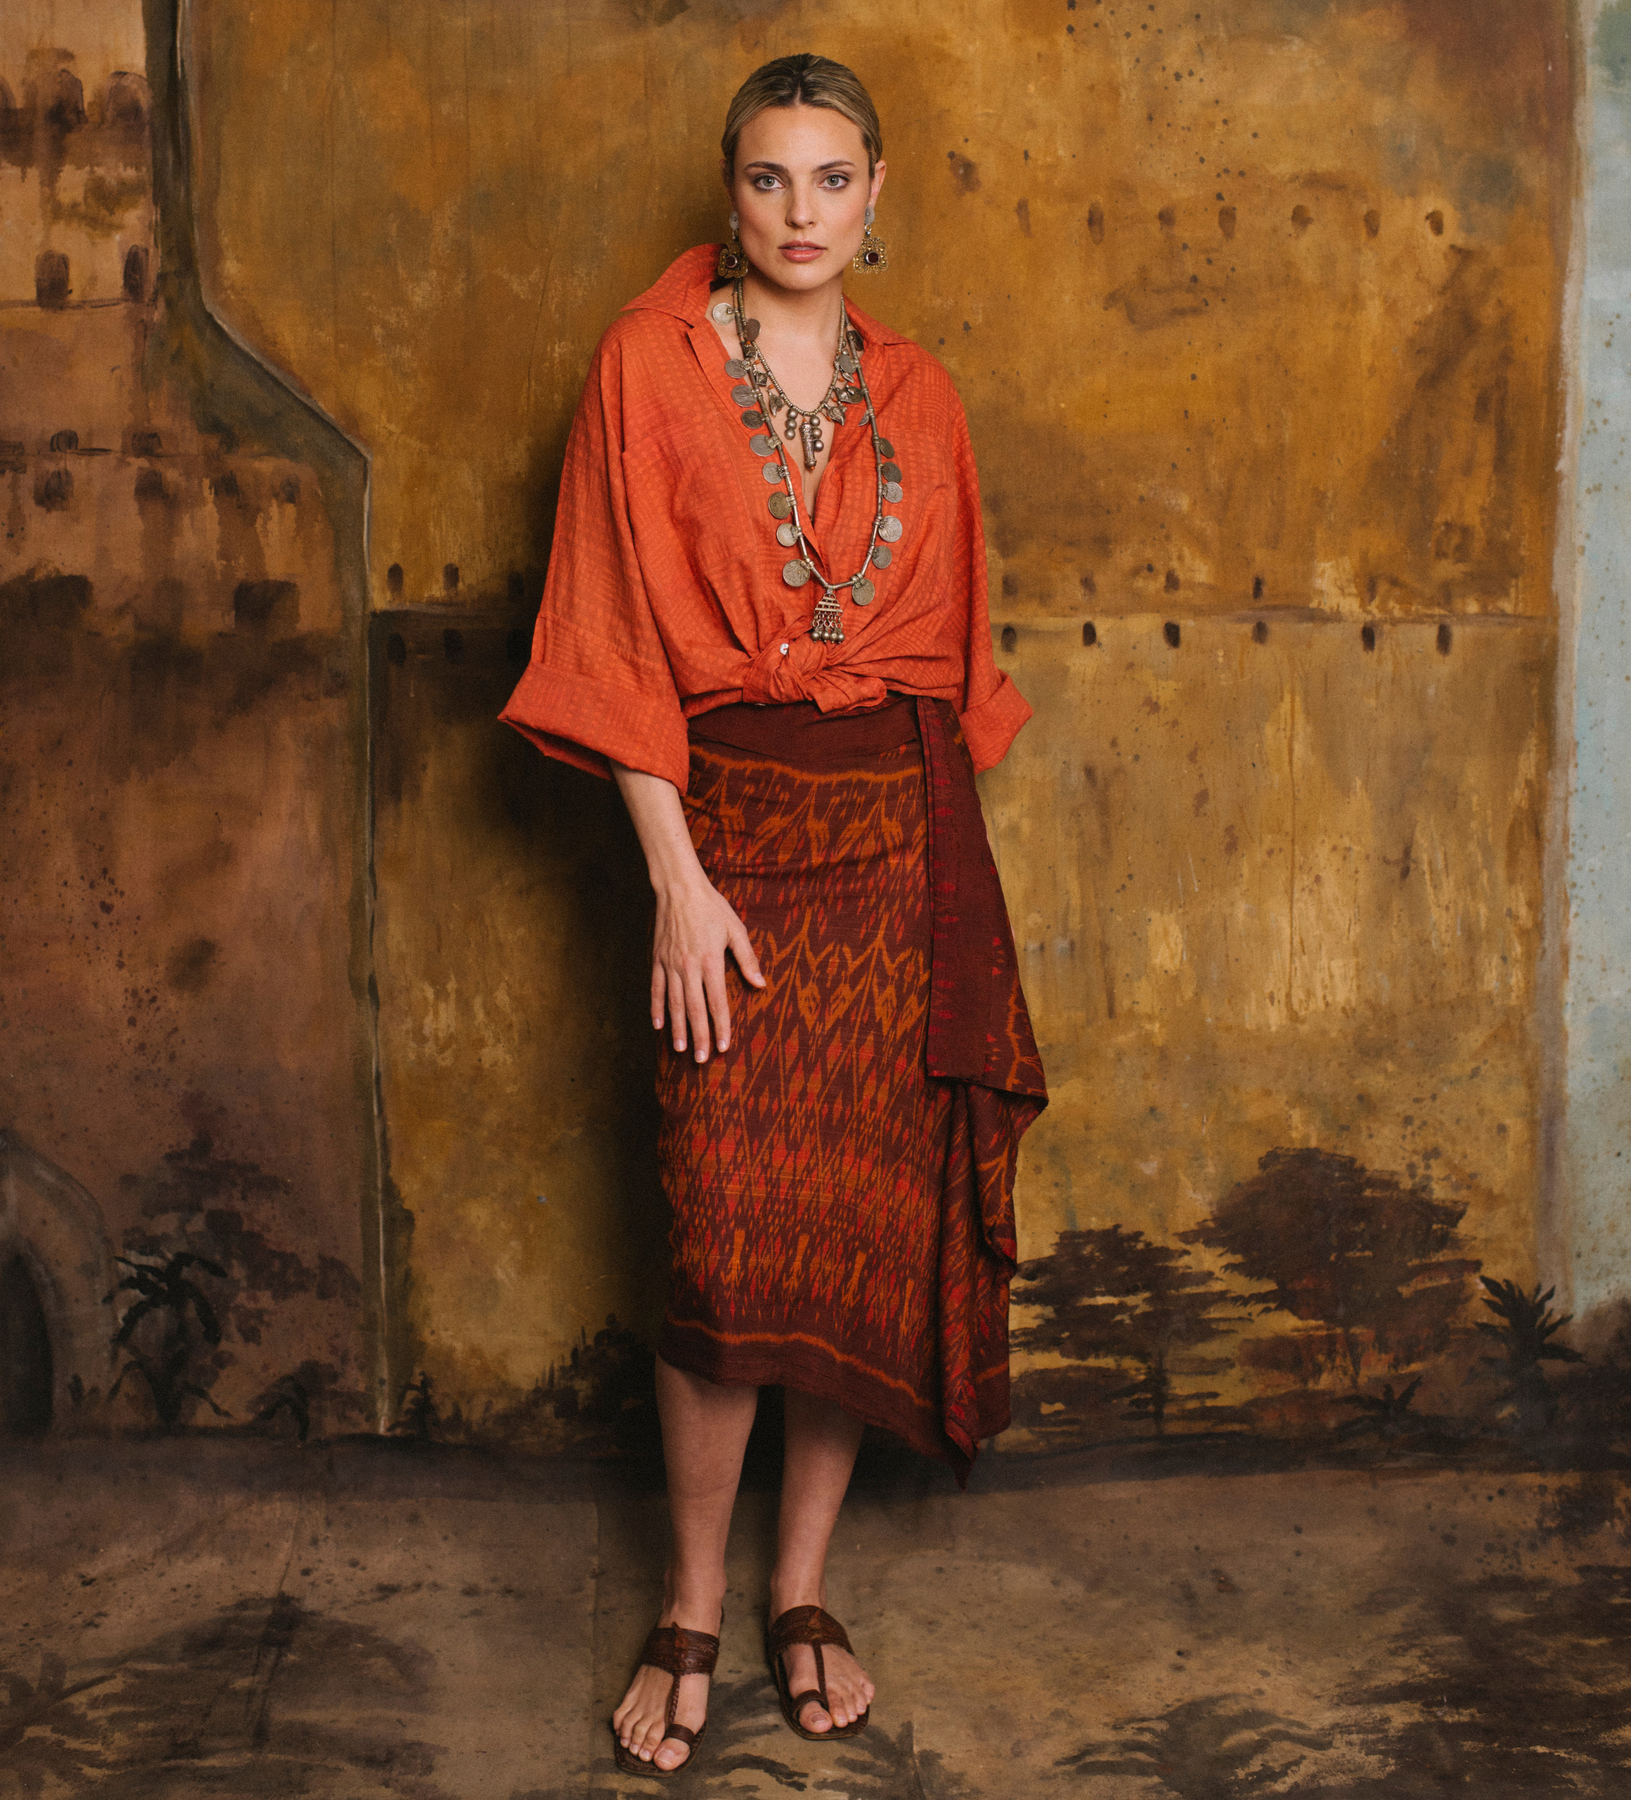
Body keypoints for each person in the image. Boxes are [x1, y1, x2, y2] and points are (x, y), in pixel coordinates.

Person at [499, 52, 1046, 1779]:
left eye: (829, 179)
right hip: (723, 844)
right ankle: (687, 1605)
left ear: (875, 195)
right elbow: (613, 639)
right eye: (765, 178)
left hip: (897, 852)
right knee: (725, 1235)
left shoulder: (924, 395)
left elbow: (947, 673)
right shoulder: (645, 367)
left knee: (852, 1238)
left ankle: (799, 1591)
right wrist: (675, 884)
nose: (798, 212)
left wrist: (947, 906)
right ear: (724, 192)